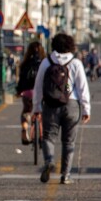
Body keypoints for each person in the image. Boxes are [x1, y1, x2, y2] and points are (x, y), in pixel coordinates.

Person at [33, 33, 91, 184]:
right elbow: (82, 87)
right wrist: (86, 109)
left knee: (48, 137)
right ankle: (65, 175)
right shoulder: (76, 63)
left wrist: (37, 107)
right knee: (69, 141)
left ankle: (49, 161)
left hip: (50, 105)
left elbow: (38, 86)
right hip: (71, 105)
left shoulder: (46, 62)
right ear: (70, 46)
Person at [15, 40, 46, 145]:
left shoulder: (24, 64)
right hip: (42, 93)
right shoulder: (45, 63)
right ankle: (41, 136)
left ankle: (24, 130)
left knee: (26, 111)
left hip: (28, 92)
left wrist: (19, 91)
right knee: (42, 112)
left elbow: (21, 80)